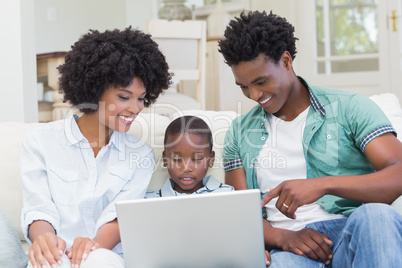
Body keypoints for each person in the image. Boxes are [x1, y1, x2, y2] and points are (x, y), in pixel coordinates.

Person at [219, 10, 402, 267]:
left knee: (379, 216)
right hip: (289, 248)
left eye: (261, 81)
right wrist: (285, 238)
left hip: (353, 235)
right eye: (243, 86)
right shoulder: (239, 132)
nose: (254, 95)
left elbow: (399, 172)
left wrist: (323, 185)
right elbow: (240, 214)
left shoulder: (350, 108)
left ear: (285, 61)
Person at [20, 27, 171, 268]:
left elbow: (119, 218)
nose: (135, 108)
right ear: (94, 90)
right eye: (124, 97)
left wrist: (92, 246)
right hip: (55, 254)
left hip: (104, 254)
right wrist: (45, 239)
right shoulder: (40, 142)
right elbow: (38, 209)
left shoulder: (139, 154)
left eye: (141, 98)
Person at [145, 115, 271, 265]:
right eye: (177, 159)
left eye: (197, 159)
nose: (186, 168)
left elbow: (242, 237)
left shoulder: (228, 196)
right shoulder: (148, 202)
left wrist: (253, 250)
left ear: (211, 159)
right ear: (165, 159)